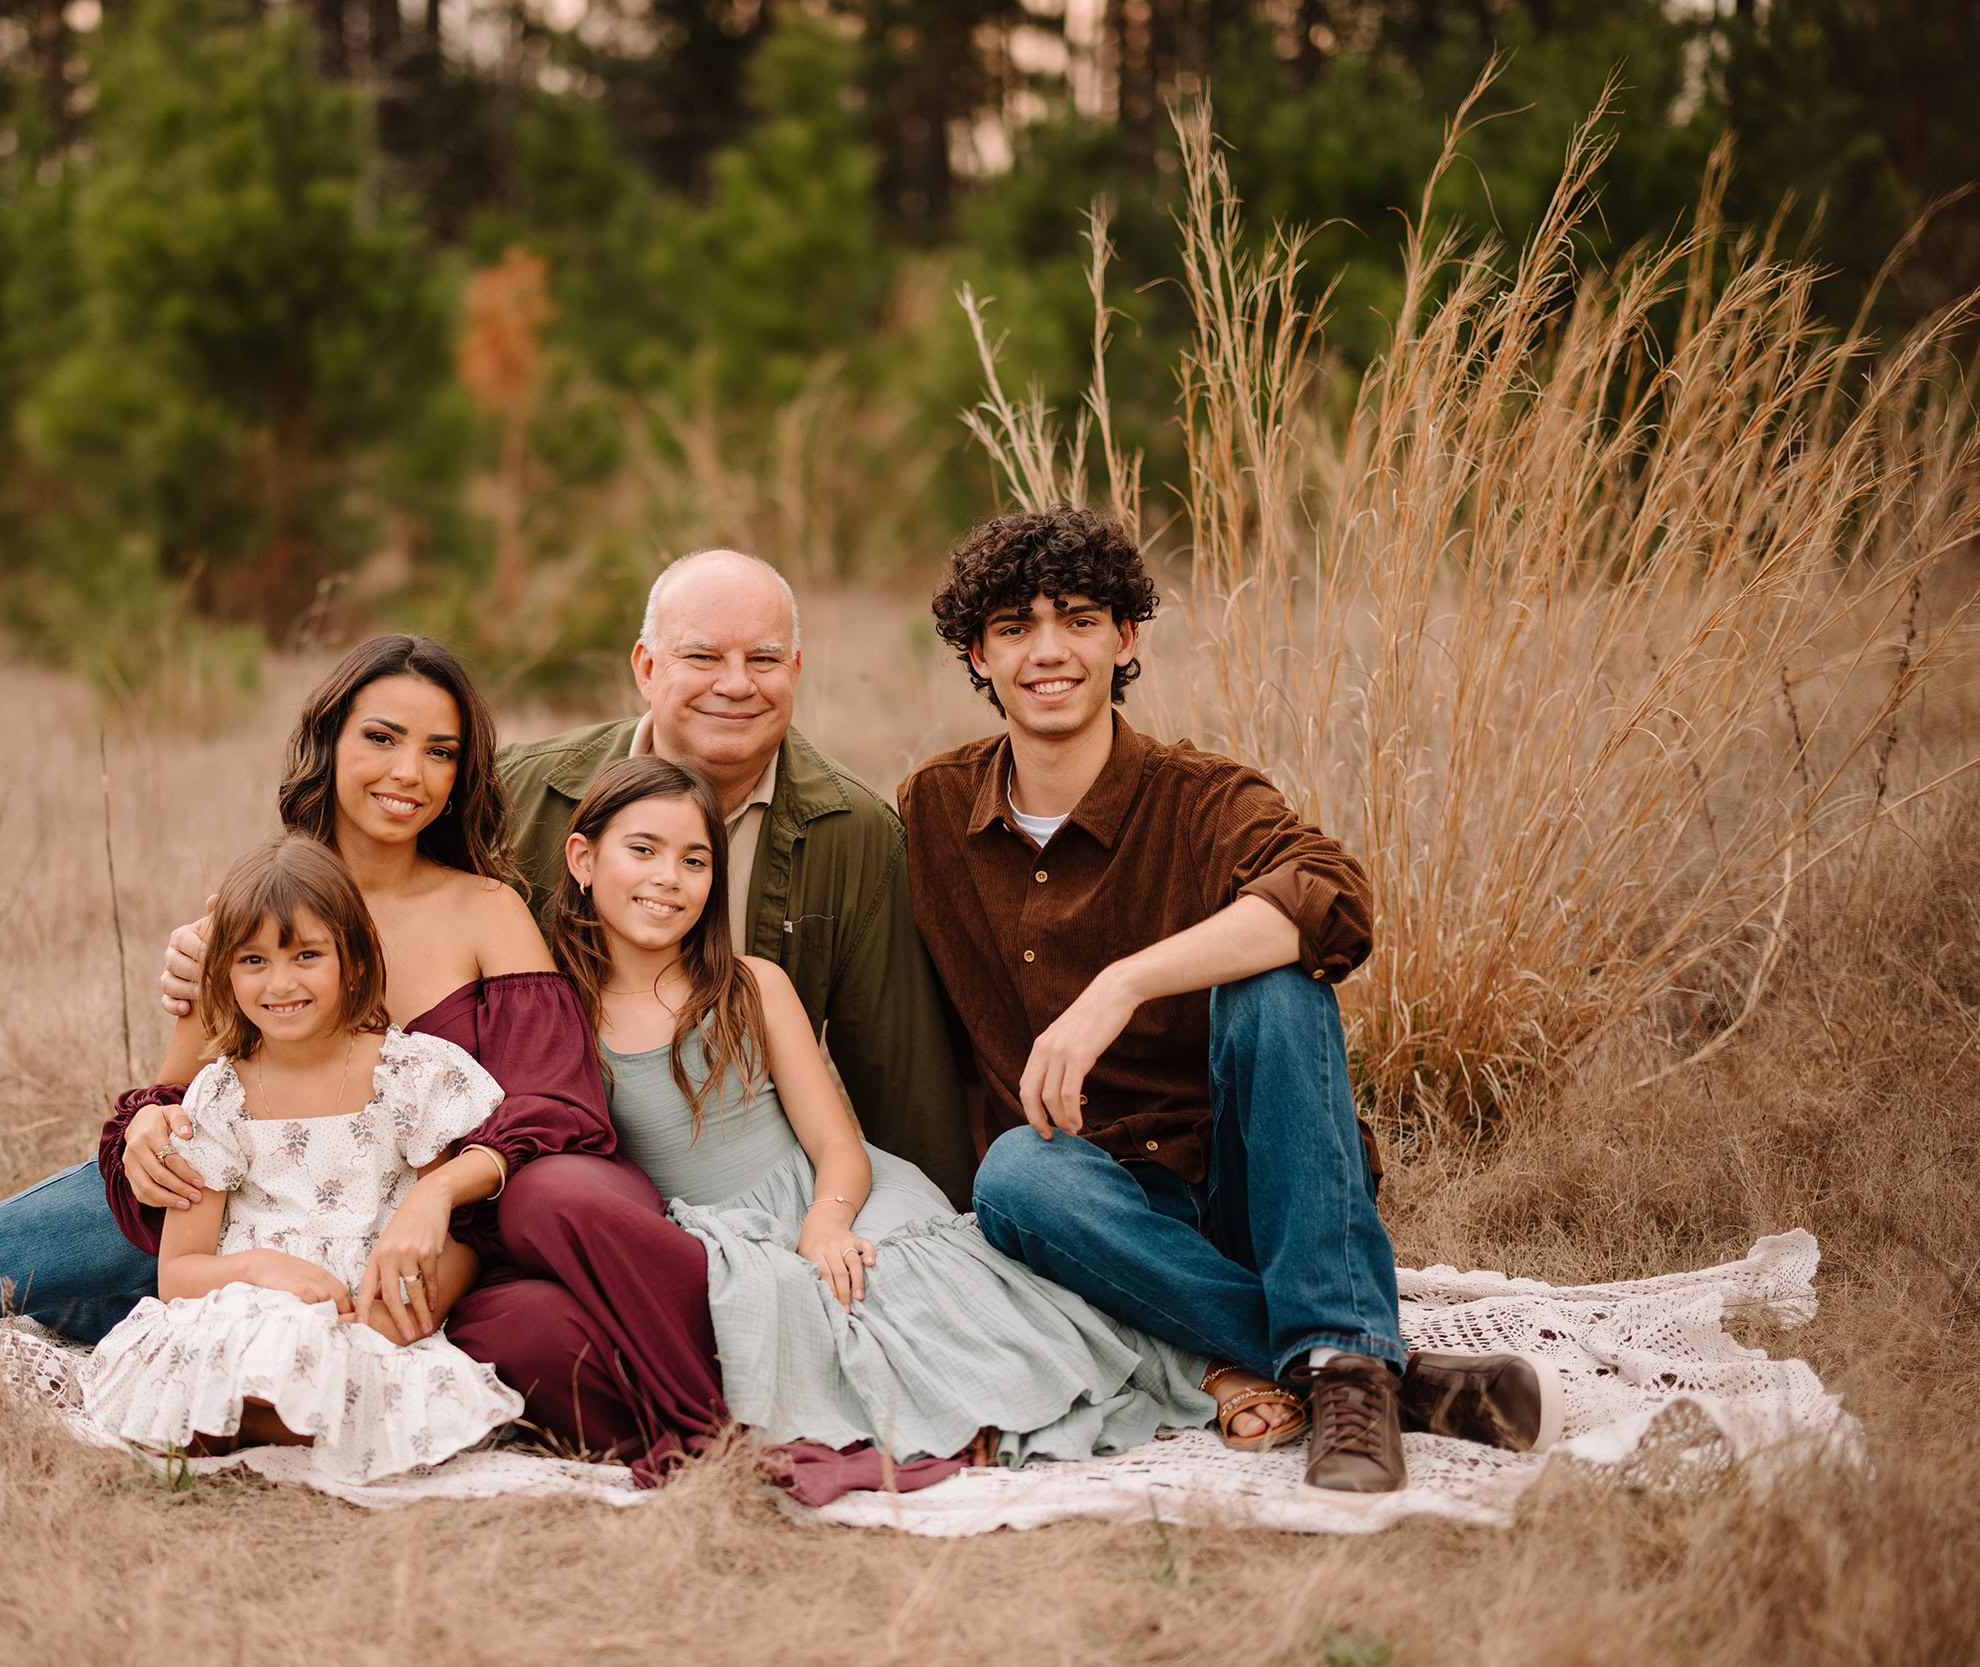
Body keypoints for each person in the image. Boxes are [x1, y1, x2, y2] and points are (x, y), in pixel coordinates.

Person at [0, 637, 727, 1483]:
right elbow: (178, 1083)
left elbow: (556, 1097)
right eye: (381, 738)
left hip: (419, 1229)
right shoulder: (262, 904)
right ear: (330, 742)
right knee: (150, 1193)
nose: (407, 773)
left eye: (440, 750)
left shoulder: (484, 909)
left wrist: (437, 1198)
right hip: (254, 1213)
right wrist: (150, 1122)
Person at [896, 508, 1559, 1506]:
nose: (1047, 651)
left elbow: (1330, 895)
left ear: (1126, 638)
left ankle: (1335, 1346)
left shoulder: (1198, 797)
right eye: (1012, 627)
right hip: (1103, 1214)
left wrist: (1120, 983)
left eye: (1077, 620)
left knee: (1277, 973)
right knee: (1013, 1172)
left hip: (1257, 1189)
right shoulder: (933, 811)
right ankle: (1360, 1362)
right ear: (977, 656)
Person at [546, 754, 1215, 1496]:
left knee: (921, 1293)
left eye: (695, 859)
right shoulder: (563, 1013)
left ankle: (1128, 1376)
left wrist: (828, 1222)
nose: (668, 876)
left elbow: (837, 1142)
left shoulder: (749, 986)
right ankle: (952, 1421)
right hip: (722, 1230)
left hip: (841, 1190)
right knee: (804, 1315)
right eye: (643, 850)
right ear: (583, 857)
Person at [495, 549, 978, 1205]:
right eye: (701, 657)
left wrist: (944, 1238)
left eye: (764, 659)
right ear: (646, 667)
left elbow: (902, 1077)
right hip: (558, 1183)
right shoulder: (520, 791)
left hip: (759, 1207)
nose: (735, 683)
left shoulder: (854, 831)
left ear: (796, 670)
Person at [79, 834, 523, 1481]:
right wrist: (259, 1268)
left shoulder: (411, 1074)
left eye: (306, 955)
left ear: (354, 957)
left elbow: (457, 1232)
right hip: (250, 1301)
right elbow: (177, 1272)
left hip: (366, 1310)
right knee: (253, 1340)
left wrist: (408, 1313)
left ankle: (282, 1419)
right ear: (223, 972)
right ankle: (247, 1414)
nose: (280, 982)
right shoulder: (220, 1094)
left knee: (342, 1364)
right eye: (253, 959)